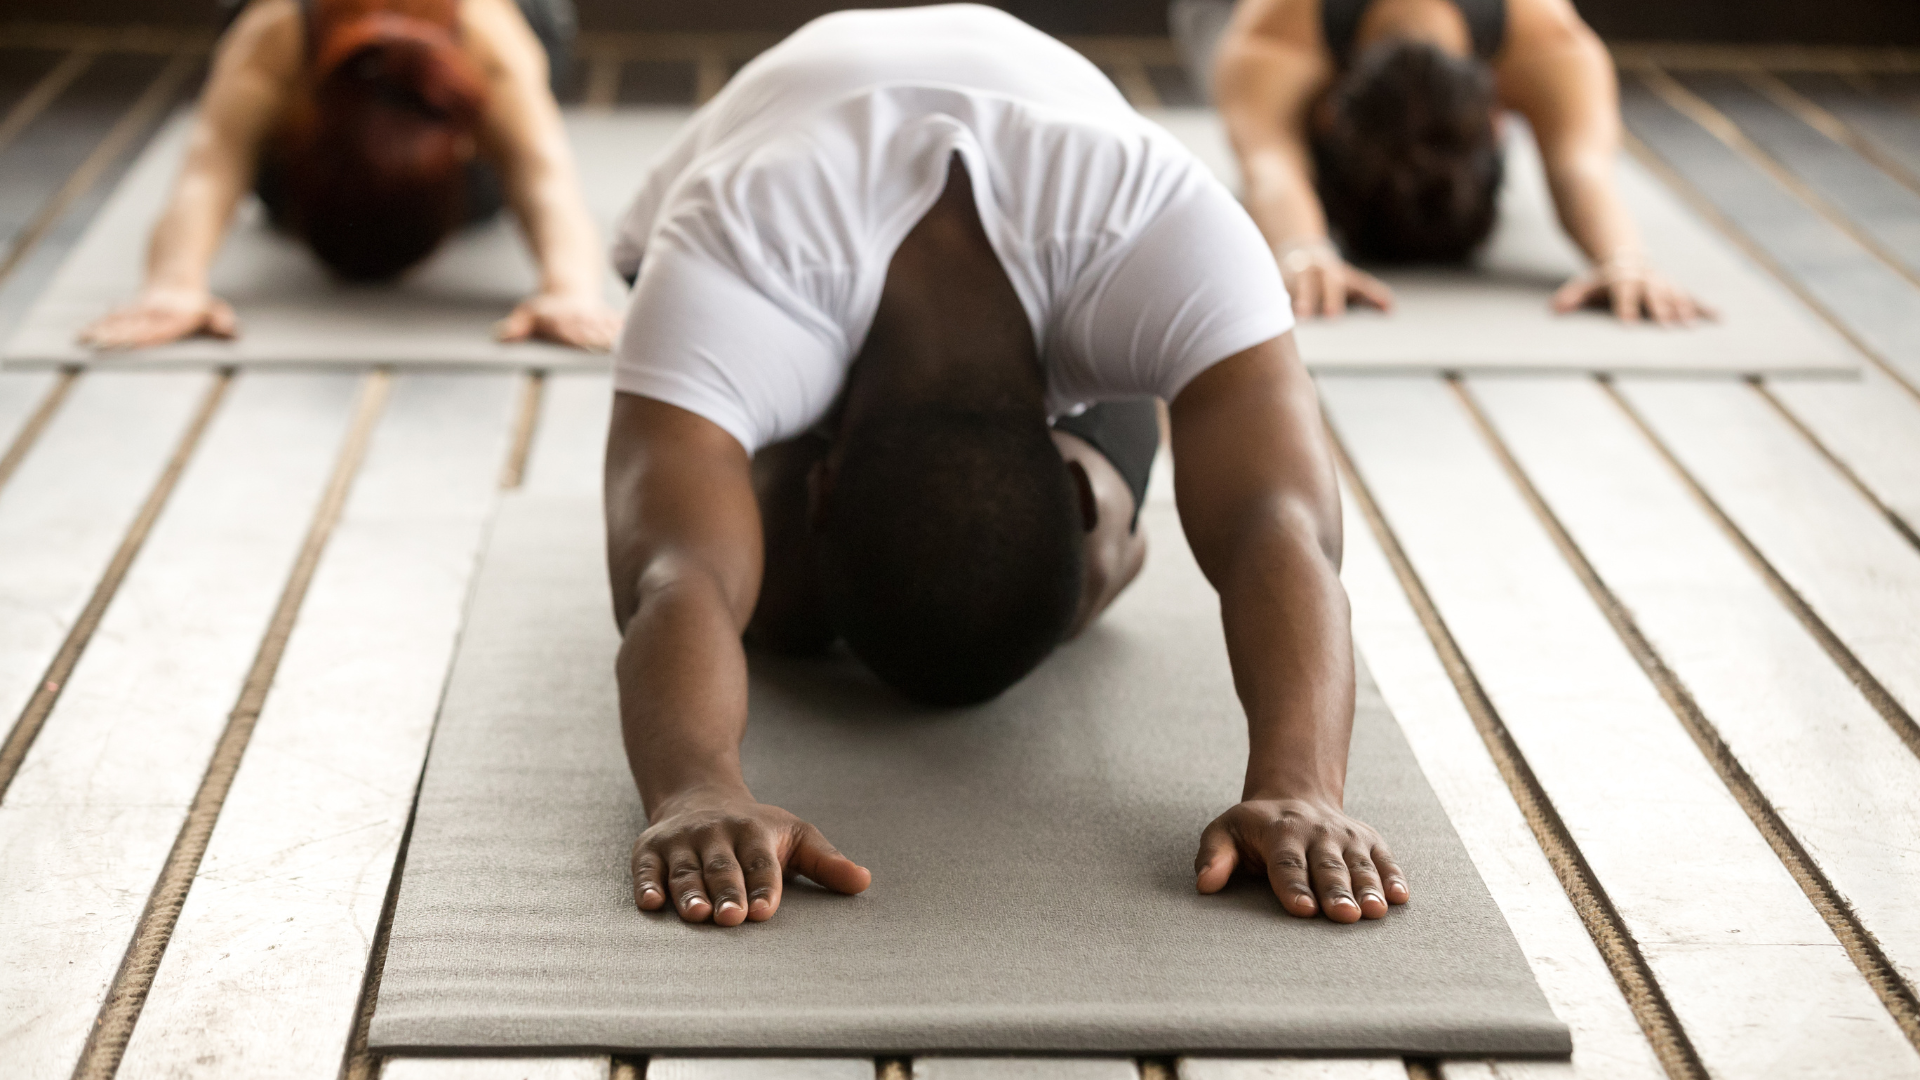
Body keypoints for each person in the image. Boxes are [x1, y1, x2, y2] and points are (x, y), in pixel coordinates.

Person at [604, 4, 1409, 930]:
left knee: (1036, 571)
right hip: (766, 211)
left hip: (1057, 264)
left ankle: (1059, 549)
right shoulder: (734, 250)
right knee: (768, 603)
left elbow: (1282, 522)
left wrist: (1302, 786)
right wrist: (694, 790)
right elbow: (676, 571)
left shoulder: (1163, 232)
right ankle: (829, 561)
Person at [79, 0, 618, 352]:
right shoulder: (274, 30)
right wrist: (172, 284)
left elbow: (544, 176)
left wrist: (571, 289)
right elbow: (211, 164)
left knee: (508, 153)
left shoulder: (489, 38)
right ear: (296, 123)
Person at [1186, 0, 1711, 323]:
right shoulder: (1269, 31)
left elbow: (1583, 168)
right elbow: (1270, 162)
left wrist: (1624, 259)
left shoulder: (1547, 38)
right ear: (1498, 116)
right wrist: (1302, 248)